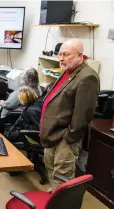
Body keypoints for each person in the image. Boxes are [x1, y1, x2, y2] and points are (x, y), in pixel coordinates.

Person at [40, 38, 100, 190]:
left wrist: (68, 138)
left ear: (80, 56)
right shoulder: (68, 70)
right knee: (52, 169)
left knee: (62, 175)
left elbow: (83, 115)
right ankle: (53, 199)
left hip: (65, 138)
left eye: (66, 54)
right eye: (60, 54)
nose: (61, 58)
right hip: (53, 133)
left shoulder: (88, 77)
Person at [0, 68, 41, 133]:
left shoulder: (23, 91)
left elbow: (9, 105)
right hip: (24, 115)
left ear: (25, 79)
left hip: (12, 116)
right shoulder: (38, 89)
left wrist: (3, 103)